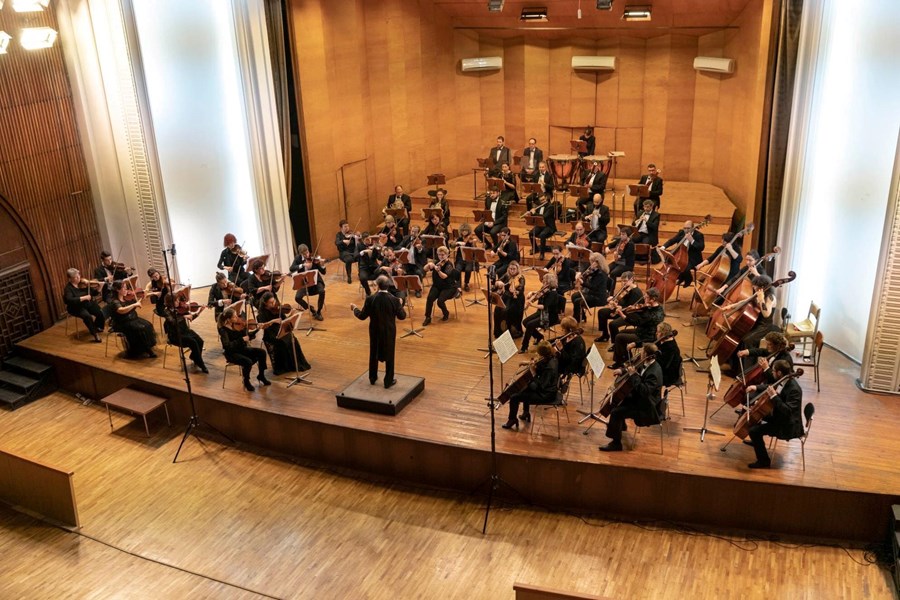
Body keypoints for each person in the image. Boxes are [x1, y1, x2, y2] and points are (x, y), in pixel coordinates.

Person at [599, 343, 663, 452]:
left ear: (646, 354)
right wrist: (623, 371)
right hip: (641, 400)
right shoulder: (647, 363)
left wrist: (633, 375)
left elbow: (644, 391)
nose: (640, 353)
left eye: (642, 351)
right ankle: (619, 426)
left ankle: (616, 444)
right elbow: (634, 368)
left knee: (615, 412)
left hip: (646, 407)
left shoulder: (654, 373)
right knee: (620, 400)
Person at [743, 360, 803, 469]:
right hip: (780, 417)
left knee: (754, 431)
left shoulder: (794, 390)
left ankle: (764, 461)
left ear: (779, 373)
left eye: (773, 370)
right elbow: (771, 386)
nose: (772, 372)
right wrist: (756, 387)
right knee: (756, 414)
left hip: (787, 426)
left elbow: (788, 411)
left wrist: (774, 396)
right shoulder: (784, 380)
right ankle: (756, 441)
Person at [350, 275, 407, 388]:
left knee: (373, 353)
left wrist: (355, 308)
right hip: (389, 331)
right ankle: (388, 381)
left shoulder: (370, 299)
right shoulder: (394, 300)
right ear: (388, 286)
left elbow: (362, 316)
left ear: (377, 285)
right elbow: (402, 316)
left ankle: (372, 377)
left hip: (374, 331)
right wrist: (400, 304)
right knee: (390, 355)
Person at [725, 275, 780, 369]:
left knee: (747, 341)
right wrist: (730, 307)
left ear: (761, 287)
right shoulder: (757, 293)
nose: (753, 288)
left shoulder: (770, 297)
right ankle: (734, 367)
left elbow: (766, 314)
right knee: (739, 336)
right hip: (755, 323)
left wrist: (761, 299)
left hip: (764, 326)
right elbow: (744, 301)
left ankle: (746, 370)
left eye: (755, 286)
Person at [502, 341, 559, 430]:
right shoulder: (551, 358)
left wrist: (533, 373)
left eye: (538, 353)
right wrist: (528, 363)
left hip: (546, 395)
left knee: (514, 397)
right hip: (547, 390)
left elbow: (540, 386)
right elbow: (541, 365)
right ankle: (526, 412)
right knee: (526, 386)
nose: (537, 355)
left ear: (542, 354)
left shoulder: (549, 368)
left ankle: (512, 419)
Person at [257, 292, 311, 375]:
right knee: (281, 342)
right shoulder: (261, 314)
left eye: (274, 301)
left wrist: (291, 315)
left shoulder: (278, 309)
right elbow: (263, 326)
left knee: (293, 339)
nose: (274, 304)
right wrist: (272, 321)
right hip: (271, 334)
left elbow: (285, 321)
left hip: (280, 329)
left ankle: (295, 364)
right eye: (271, 303)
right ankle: (285, 367)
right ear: (265, 303)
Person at [610, 287, 664, 368]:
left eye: (646, 297)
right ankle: (627, 359)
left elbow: (636, 322)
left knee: (619, 337)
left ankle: (619, 363)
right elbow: (641, 315)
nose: (644, 298)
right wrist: (632, 308)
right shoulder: (656, 307)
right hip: (642, 330)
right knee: (621, 333)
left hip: (646, 336)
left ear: (653, 299)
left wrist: (622, 314)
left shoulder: (652, 315)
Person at [218, 307, 269, 392]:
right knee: (248, 361)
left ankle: (261, 375)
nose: (237, 318)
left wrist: (258, 329)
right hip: (231, 354)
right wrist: (241, 340)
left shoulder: (237, 326)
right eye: (234, 316)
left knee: (262, 352)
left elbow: (248, 336)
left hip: (241, 349)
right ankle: (246, 381)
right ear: (228, 319)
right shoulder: (223, 330)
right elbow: (227, 346)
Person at [108, 280, 157, 358]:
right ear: (117, 290)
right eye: (124, 288)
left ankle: (146, 347)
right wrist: (134, 305)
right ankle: (146, 349)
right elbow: (121, 310)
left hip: (133, 318)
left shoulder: (126, 297)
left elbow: (135, 303)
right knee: (140, 329)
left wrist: (142, 298)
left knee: (148, 325)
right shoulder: (114, 301)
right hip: (122, 322)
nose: (126, 290)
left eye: (126, 288)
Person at [163, 294, 208, 373]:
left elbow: (191, 317)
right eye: (176, 300)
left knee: (200, 341)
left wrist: (199, 311)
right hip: (175, 335)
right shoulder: (166, 311)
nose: (178, 302)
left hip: (185, 331)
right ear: (171, 302)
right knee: (193, 342)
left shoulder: (180, 309)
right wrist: (184, 317)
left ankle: (194, 357)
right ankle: (201, 364)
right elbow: (173, 321)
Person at [596, 271, 644, 343]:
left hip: (630, 315)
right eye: (622, 281)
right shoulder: (626, 289)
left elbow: (631, 308)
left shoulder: (636, 292)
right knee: (602, 312)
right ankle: (605, 335)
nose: (623, 283)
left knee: (613, 324)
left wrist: (619, 307)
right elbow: (620, 299)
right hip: (621, 310)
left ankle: (616, 343)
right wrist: (612, 300)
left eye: (625, 281)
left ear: (632, 280)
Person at [520, 272, 560, 353]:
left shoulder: (553, 294)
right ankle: (539, 336)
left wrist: (532, 305)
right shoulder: (546, 289)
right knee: (525, 322)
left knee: (530, 324)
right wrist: (532, 293)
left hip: (549, 316)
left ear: (549, 283)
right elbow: (539, 294)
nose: (543, 283)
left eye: (544, 281)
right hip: (541, 313)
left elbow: (544, 306)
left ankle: (524, 347)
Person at [63, 268, 104, 342]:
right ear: (70, 279)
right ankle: (95, 334)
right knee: (87, 316)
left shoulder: (83, 284)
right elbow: (69, 300)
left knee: (100, 312)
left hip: (88, 304)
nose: (78, 277)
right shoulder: (68, 289)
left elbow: (94, 293)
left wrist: (100, 286)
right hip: (76, 307)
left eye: (78, 275)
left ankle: (96, 327)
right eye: (75, 277)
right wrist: (84, 298)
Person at [422, 246, 459, 326]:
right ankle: (428, 317)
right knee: (430, 298)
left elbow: (444, 276)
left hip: (448, 287)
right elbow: (424, 269)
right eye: (439, 254)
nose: (441, 256)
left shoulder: (449, 265)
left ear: (447, 255)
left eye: (442, 255)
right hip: (437, 286)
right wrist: (428, 264)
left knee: (440, 301)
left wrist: (438, 271)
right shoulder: (437, 262)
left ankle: (446, 313)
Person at [660, 221, 706, 287]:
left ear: (693, 228)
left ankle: (688, 279)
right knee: (673, 262)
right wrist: (663, 247)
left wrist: (692, 240)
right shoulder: (681, 232)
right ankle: (680, 277)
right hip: (681, 256)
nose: (686, 230)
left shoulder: (698, 235)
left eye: (688, 228)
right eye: (685, 228)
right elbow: (672, 240)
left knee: (684, 267)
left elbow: (701, 247)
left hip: (693, 258)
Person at [289, 244, 326, 321]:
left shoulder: (314, 259)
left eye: (307, 252)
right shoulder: (298, 259)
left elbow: (323, 272)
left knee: (322, 291)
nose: (307, 255)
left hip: (316, 281)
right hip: (304, 283)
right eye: (304, 254)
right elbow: (291, 268)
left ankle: (319, 312)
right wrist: (303, 265)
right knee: (297, 298)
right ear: (301, 254)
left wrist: (322, 265)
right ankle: (311, 309)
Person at [572, 252, 609, 324]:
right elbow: (588, 280)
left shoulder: (601, 274)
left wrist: (583, 283)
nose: (590, 264)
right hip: (591, 293)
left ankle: (576, 320)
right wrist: (582, 276)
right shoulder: (595, 271)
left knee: (577, 301)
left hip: (598, 297)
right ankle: (582, 316)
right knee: (574, 296)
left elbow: (593, 287)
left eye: (592, 262)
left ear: (597, 263)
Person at [492, 260, 525, 339]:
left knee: (507, 311)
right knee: (497, 309)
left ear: (517, 269)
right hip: (506, 297)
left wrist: (516, 291)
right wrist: (498, 283)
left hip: (517, 300)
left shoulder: (521, 278)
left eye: (514, 269)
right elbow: (498, 281)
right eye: (510, 269)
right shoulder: (507, 275)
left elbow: (521, 287)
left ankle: (511, 331)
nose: (512, 271)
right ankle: (500, 331)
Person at [526, 192, 556, 260]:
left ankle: (542, 254)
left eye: (544, 199)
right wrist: (530, 214)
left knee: (542, 235)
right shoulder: (539, 206)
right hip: (541, 225)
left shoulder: (550, 207)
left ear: (546, 198)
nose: (543, 201)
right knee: (531, 233)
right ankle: (535, 248)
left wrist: (534, 213)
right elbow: (536, 216)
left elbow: (544, 217)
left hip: (549, 226)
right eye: (541, 200)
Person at [556, 316, 587, 381]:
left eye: (563, 329)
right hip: (568, 361)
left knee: (551, 365)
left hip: (572, 367)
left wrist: (561, 349)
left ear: (569, 330)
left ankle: (555, 383)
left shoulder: (577, 342)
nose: (562, 330)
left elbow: (570, 360)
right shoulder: (571, 336)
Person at [606, 226, 635, 293]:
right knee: (606, 270)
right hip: (617, 262)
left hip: (626, 265)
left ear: (628, 235)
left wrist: (618, 255)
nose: (621, 236)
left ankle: (611, 292)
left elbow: (626, 255)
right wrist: (607, 247)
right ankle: (607, 289)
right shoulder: (620, 240)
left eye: (623, 234)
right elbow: (611, 244)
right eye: (621, 234)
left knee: (613, 273)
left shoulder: (631, 244)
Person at [454, 223, 479, 292]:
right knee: (457, 269)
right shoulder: (459, 239)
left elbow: (475, 251)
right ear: (461, 231)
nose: (464, 232)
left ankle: (466, 283)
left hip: (469, 259)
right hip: (460, 259)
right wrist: (457, 243)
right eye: (463, 231)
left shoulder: (471, 239)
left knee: (468, 270)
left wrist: (473, 243)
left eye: (466, 230)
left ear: (468, 231)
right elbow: (452, 246)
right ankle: (458, 286)